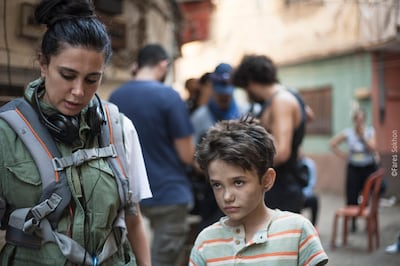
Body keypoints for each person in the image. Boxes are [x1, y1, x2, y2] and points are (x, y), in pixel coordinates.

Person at [0, 0, 152, 265]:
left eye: (92, 79)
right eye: (67, 75)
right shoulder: (5, 133)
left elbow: (133, 218)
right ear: (43, 64)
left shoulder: (119, 127)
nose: (79, 91)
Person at [189, 117, 328, 266]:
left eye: (238, 182)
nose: (227, 197)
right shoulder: (206, 242)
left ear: (267, 179)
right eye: (217, 185)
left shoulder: (297, 231)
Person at [109, 44, 195, 266]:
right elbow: (187, 155)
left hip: (129, 194)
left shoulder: (116, 97)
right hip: (169, 193)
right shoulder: (169, 97)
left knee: (135, 258)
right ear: (163, 65)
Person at [232, 54, 308, 213]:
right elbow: (309, 114)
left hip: (283, 187)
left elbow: (281, 153)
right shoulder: (288, 95)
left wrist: (244, 168)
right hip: (282, 184)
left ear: (250, 83)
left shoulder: (281, 101)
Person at [190, 63, 246, 230]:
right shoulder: (199, 118)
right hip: (211, 189)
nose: (224, 98)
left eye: (227, 94)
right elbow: (193, 158)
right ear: (213, 89)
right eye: (220, 93)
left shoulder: (244, 113)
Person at [329, 108, 378, 232]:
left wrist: (363, 137)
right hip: (353, 168)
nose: (359, 123)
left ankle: (368, 221)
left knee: (367, 195)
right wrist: (343, 155)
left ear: (364, 120)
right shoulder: (348, 133)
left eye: (361, 120)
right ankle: (353, 222)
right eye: (357, 120)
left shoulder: (370, 131)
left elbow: (373, 148)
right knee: (352, 195)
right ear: (354, 120)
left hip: (368, 167)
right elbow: (333, 143)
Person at [298, 155, 320, 226]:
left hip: (304, 195)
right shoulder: (289, 164)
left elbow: (311, 182)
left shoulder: (308, 164)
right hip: (292, 195)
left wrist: (303, 194)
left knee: (314, 199)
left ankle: (314, 226)